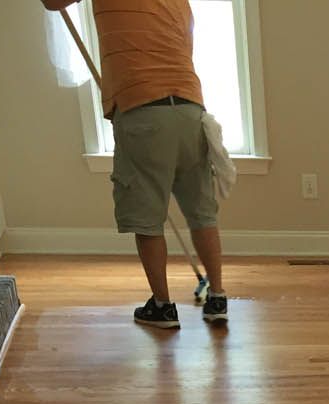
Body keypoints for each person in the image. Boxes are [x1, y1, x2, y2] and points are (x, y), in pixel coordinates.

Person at [42, 0, 228, 329]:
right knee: (202, 212)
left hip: (143, 109)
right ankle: (218, 297)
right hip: (190, 109)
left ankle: (162, 307)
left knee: (147, 220)